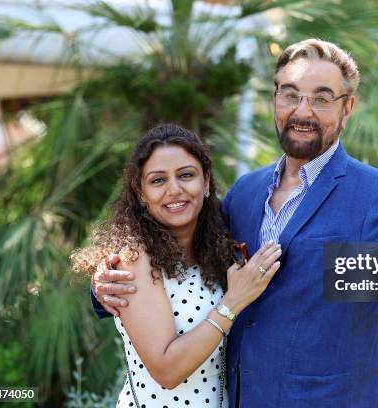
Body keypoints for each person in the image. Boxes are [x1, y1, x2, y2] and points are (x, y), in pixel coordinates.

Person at [92, 39, 378, 407]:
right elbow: (181, 255)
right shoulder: (245, 193)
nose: (303, 111)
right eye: (290, 95)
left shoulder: (374, 193)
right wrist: (107, 285)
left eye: (321, 99)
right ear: (275, 100)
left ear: (347, 108)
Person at [72, 124, 281, 407]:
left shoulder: (218, 247)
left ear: (206, 182)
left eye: (186, 175)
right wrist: (233, 301)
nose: (174, 190)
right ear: (140, 191)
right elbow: (167, 370)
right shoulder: (134, 259)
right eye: (158, 180)